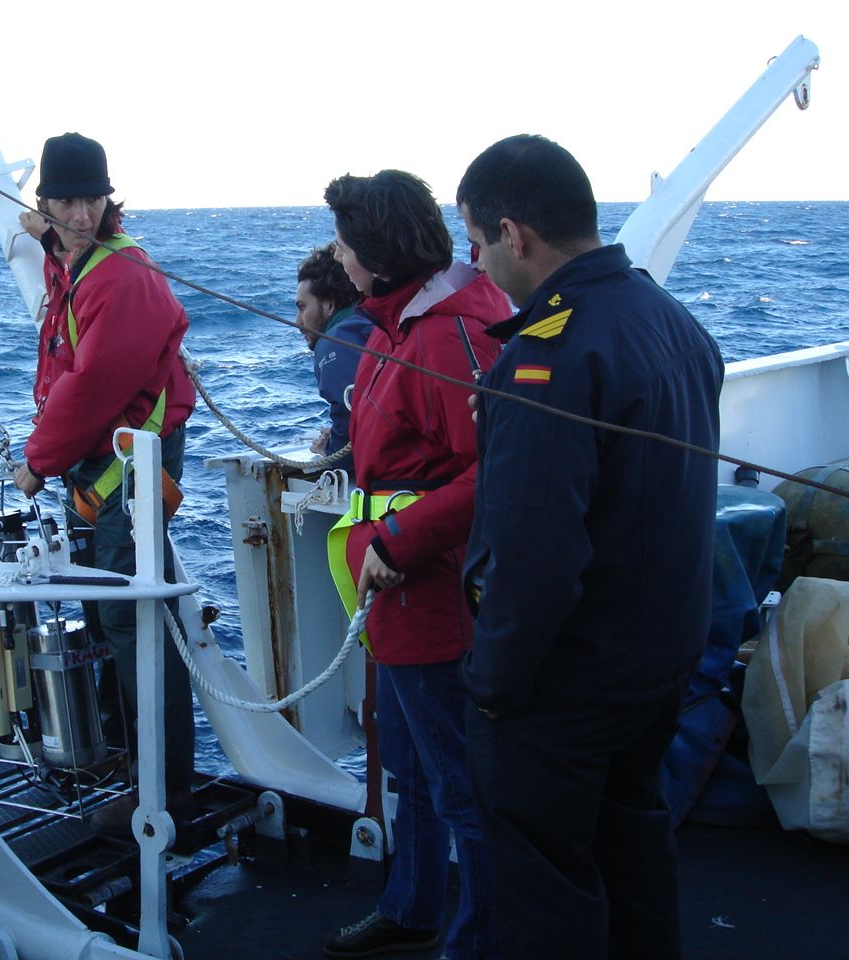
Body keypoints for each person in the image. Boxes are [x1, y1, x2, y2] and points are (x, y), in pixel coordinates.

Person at [455, 135, 725, 960]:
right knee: (634, 852)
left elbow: (536, 552)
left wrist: (493, 685)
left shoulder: (551, 355)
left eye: (476, 241)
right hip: (657, 664)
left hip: (566, 684)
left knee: (545, 889)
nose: (476, 262)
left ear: (516, 235)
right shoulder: (671, 321)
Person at [322, 170, 506, 960]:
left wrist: (399, 542)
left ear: (377, 252)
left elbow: (496, 468)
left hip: (433, 598)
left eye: (344, 239)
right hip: (396, 603)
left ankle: (478, 944)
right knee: (409, 766)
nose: (336, 253)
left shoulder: (442, 333)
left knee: (467, 792)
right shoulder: (401, 323)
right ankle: (415, 907)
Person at [13, 132, 197, 819]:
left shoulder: (121, 277)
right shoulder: (75, 258)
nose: (81, 214)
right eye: (65, 201)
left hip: (129, 466)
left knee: (131, 619)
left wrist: (37, 462)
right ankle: (130, 763)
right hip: (103, 467)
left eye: (91, 200)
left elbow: (92, 386)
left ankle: (163, 787)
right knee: (105, 612)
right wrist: (48, 237)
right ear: (46, 203)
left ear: (107, 201)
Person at [295, 243, 373, 470]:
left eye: (302, 307)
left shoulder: (335, 344)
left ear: (329, 305)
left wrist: (330, 449)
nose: (298, 322)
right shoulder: (369, 324)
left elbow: (349, 416)